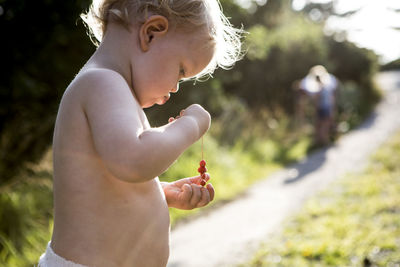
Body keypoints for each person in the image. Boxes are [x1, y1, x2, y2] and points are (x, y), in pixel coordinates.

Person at [38, 0, 243, 266]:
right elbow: (134, 160)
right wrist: (190, 124)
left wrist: (160, 192)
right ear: (151, 32)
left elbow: (111, 181)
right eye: (181, 72)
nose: (176, 88)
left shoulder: (113, 89)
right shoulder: (102, 82)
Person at [300, 65, 338, 146]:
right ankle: (323, 142)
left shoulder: (316, 88)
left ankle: (320, 142)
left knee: (319, 125)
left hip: (320, 108)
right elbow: (330, 99)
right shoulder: (325, 87)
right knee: (324, 125)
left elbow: (315, 100)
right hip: (325, 108)